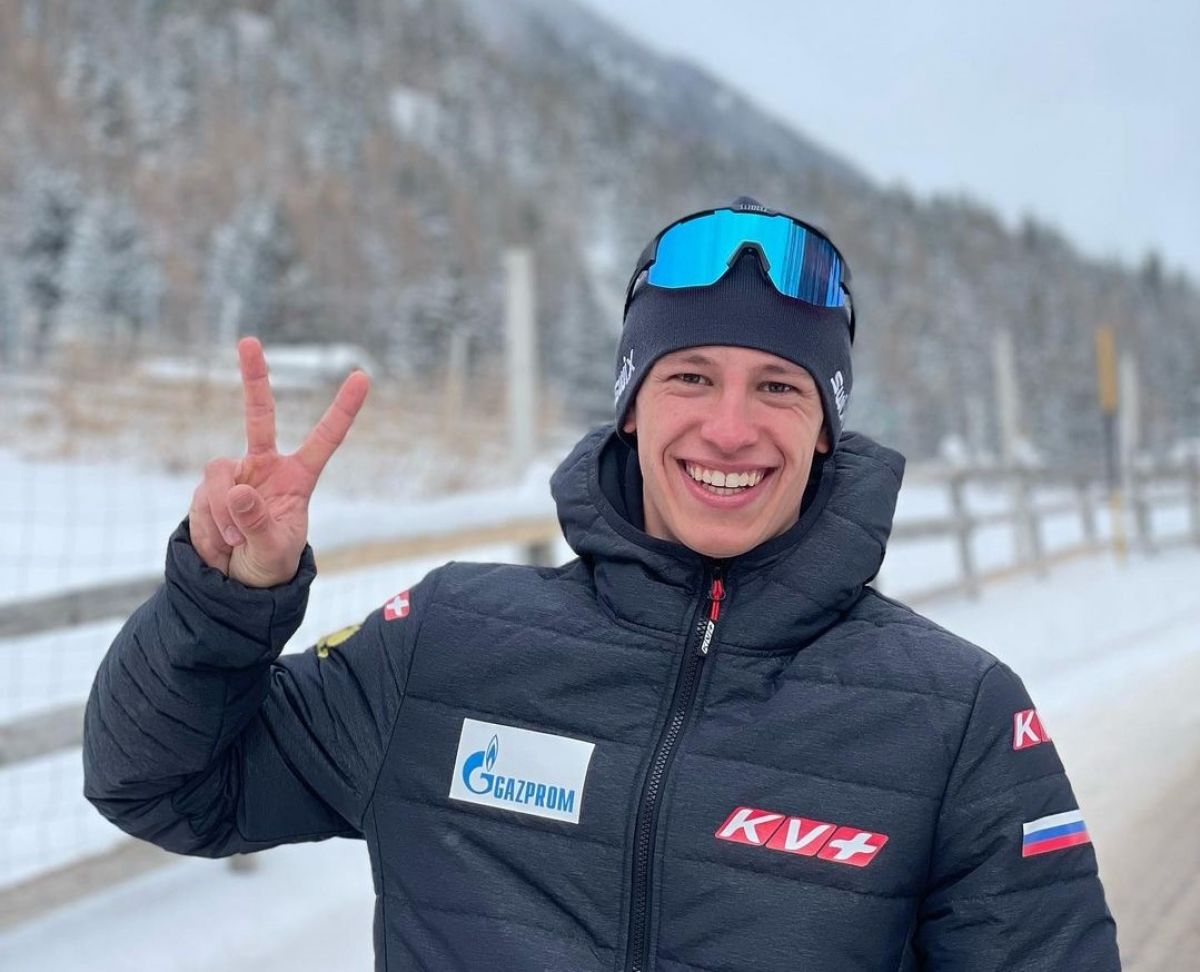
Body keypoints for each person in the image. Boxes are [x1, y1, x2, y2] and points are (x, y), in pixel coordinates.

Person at [83, 197, 1121, 970]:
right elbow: (162, 785)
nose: (729, 428)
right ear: (631, 406)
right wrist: (221, 600)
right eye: (690, 377)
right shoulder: (447, 643)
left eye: (777, 387)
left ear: (824, 429)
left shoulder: (957, 717)